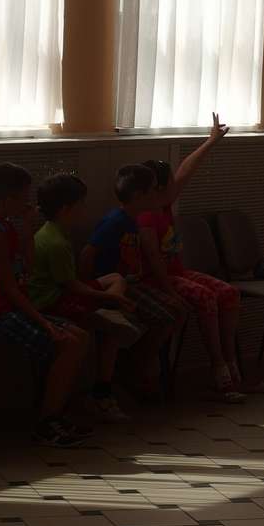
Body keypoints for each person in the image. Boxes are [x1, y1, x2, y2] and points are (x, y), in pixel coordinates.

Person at [138, 114, 264, 400]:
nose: (175, 186)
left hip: (178, 272)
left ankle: (232, 365)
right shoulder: (146, 216)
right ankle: (219, 371)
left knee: (229, 293)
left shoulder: (163, 204)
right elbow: (153, 260)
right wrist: (170, 292)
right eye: (169, 184)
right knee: (206, 298)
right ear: (156, 188)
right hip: (158, 279)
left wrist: (211, 141)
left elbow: (186, 169)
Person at [0, 163, 90, 447]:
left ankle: (55, 411)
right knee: (67, 343)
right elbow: (10, 289)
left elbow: (29, 265)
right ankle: (47, 421)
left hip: (13, 305)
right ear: (8, 198)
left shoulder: (7, 227)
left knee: (79, 336)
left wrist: (26, 227)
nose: (29, 203)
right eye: (24, 197)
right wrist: (44, 322)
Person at [30, 174, 141, 423]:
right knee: (113, 330)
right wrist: (106, 297)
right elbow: (71, 287)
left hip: (66, 291)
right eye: (81, 204)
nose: (85, 209)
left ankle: (111, 311)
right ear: (66, 209)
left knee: (116, 279)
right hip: (53, 301)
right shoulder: (55, 242)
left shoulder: (56, 232)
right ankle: (111, 317)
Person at [79, 164, 183, 400]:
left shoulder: (134, 220)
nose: (157, 194)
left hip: (133, 284)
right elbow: (87, 253)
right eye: (152, 190)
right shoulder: (115, 221)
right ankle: (134, 370)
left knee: (176, 311)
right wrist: (90, 290)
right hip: (117, 287)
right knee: (166, 316)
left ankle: (138, 365)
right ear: (138, 196)